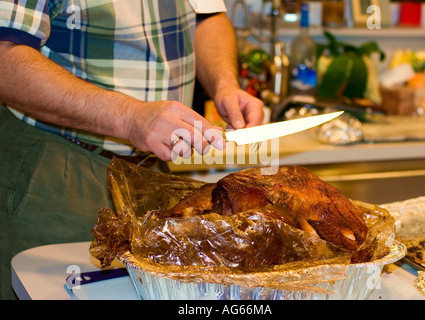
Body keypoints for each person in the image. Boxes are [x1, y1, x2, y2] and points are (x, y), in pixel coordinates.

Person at [0, 0, 263, 299]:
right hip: (57, 171)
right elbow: (5, 56)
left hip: (154, 174)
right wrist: (130, 118)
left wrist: (224, 84)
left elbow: (206, 16)